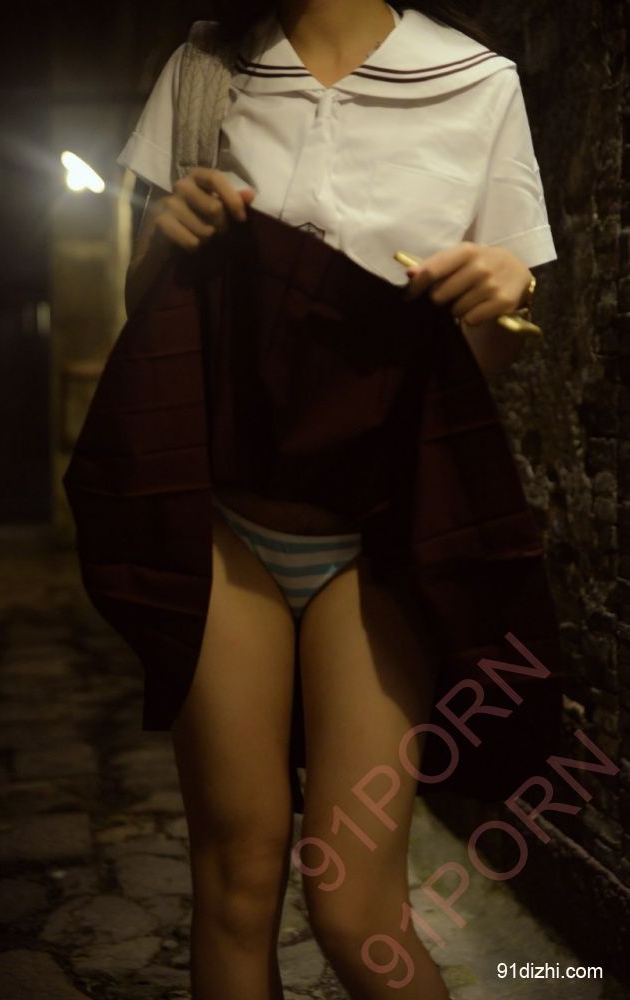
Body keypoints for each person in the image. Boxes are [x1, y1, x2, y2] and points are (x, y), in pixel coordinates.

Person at [115, 2, 557, 997]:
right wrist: (166, 238)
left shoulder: (474, 80)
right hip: (229, 522)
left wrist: (510, 289)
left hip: (379, 534)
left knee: (356, 909)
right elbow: (148, 316)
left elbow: (482, 368)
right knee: (235, 882)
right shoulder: (205, 69)